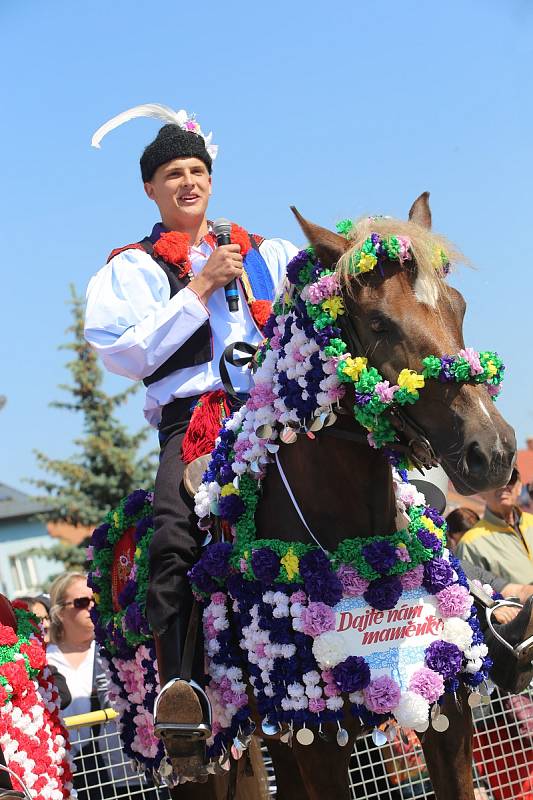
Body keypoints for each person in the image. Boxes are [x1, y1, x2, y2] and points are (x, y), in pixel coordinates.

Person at [84, 104, 298, 761]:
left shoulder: (267, 253)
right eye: (172, 172)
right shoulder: (132, 269)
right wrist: (199, 287)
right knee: (174, 532)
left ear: (211, 179)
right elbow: (125, 355)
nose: (188, 181)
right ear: (150, 187)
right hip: (192, 422)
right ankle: (181, 692)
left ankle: (451, 620)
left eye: (197, 170)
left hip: (270, 411)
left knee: (373, 480)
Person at [47, 572, 140, 800]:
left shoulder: (111, 651)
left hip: (128, 774)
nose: (91, 607)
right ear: (59, 612)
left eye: (95, 600)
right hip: (77, 778)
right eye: (81, 602)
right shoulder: (45, 662)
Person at [456, 468, 533, 587]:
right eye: (495, 479)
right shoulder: (471, 544)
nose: (503, 485)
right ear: (481, 492)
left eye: (510, 478)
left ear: (519, 486)